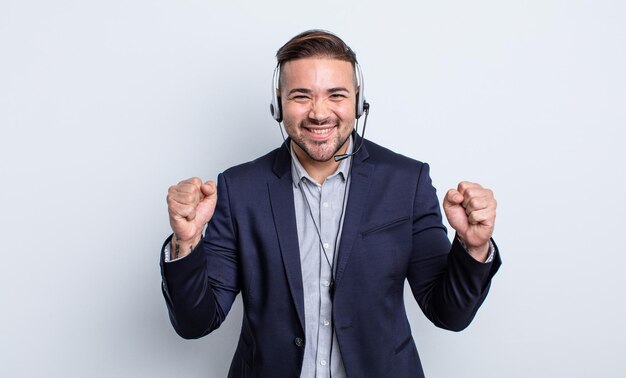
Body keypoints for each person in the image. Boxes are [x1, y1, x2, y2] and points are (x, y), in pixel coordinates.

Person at [160, 30, 501, 378]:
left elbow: (450, 314)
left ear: (358, 100)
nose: (319, 113)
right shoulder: (238, 188)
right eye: (301, 96)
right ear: (278, 104)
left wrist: (474, 248)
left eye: (335, 95)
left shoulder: (406, 182)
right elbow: (195, 323)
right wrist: (185, 243)